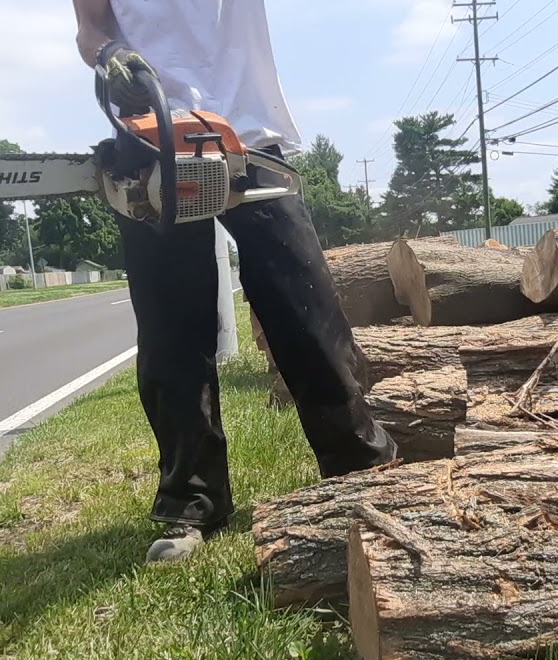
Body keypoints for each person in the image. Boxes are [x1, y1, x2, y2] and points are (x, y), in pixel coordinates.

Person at [72, 0, 398, 563]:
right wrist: (109, 54)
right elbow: (91, 27)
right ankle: (192, 500)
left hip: (249, 132)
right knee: (171, 334)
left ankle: (360, 463)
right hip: (150, 140)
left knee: (307, 313)